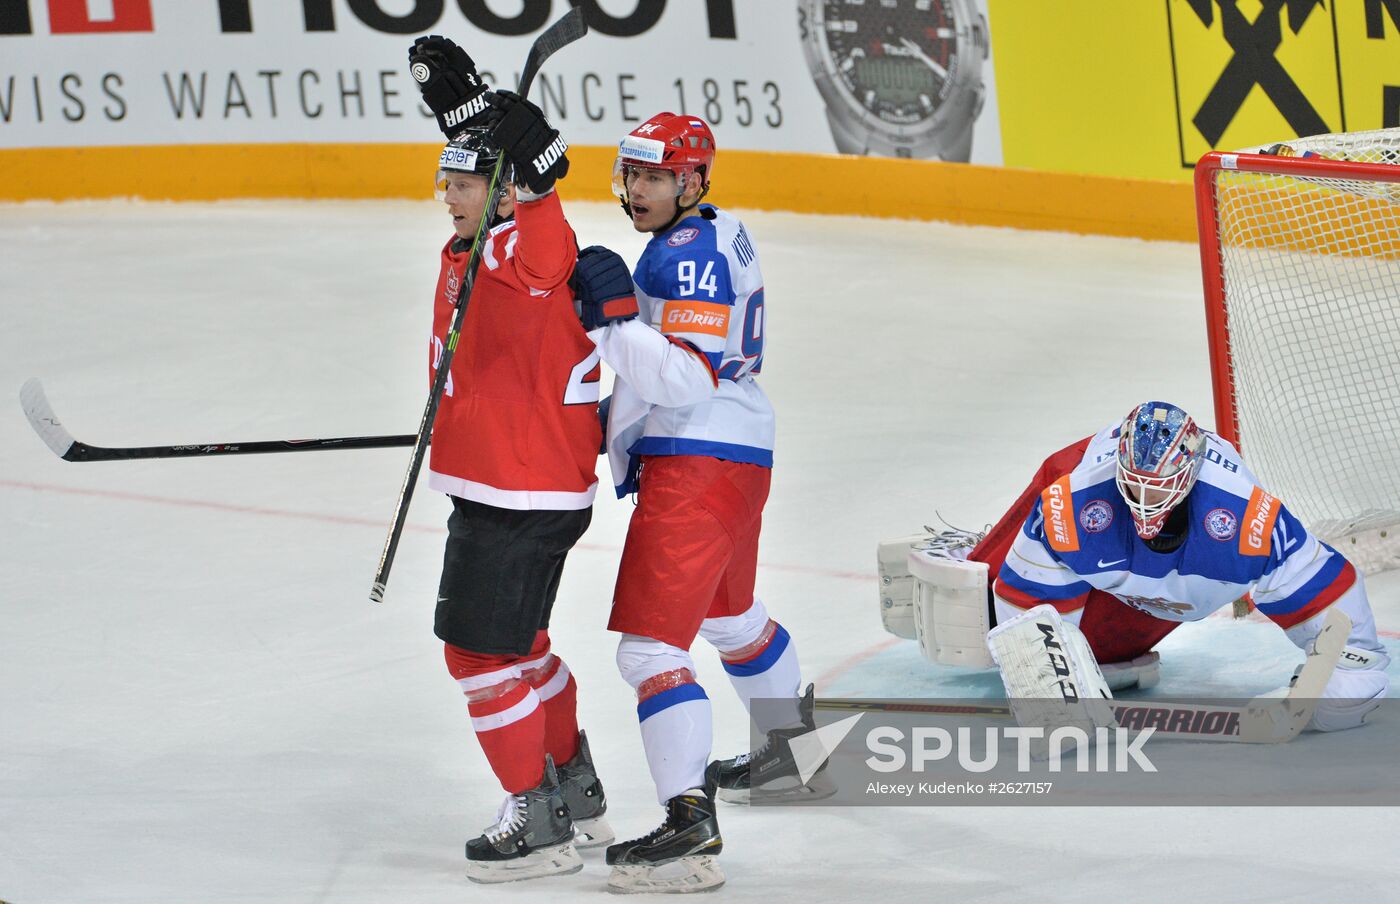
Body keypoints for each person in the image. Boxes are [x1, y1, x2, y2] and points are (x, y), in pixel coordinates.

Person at [574, 113, 817, 894]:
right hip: (737, 453)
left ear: (692, 181)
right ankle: (792, 752)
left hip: (698, 459)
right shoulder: (713, 232)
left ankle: (687, 830)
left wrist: (611, 323)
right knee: (729, 618)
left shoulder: (690, 255)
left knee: (648, 652)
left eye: (654, 177)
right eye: (631, 174)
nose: (636, 190)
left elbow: (683, 377)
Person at [406, 35, 612, 884]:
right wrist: (473, 124)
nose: (448, 196)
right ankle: (576, 790)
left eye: (463, 183)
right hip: (524, 482)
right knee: (524, 647)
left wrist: (539, 182)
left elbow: (544, 255)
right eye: (445, 180)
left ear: (499, 192)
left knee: (475, 657)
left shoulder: (514, 251)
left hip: (514, 494)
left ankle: (538, 821)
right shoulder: (471, 250)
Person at [922, 400, 1389, 730]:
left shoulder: (1245, 519)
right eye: (1135, 484)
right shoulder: (1074, 500)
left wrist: (1346, 675)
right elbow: (1026, 608)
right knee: (972, 623)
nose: (1146, 501)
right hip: (1096, 535)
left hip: (1157, 590)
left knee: (1110, 661)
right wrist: (1049, 686)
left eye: (1159, 486)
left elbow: (1336, 609)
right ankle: (977, 553)